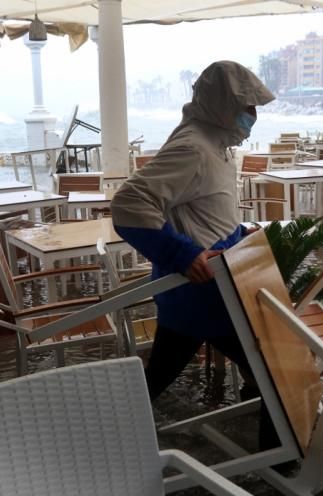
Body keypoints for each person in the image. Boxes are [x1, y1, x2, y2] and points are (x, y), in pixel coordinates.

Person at [110, 60, 278, 451]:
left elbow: (204, 212)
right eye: (246, 108)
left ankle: (110, 431)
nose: (252, 117)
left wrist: (237, 235)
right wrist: (181, 253)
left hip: (202, 292)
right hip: (204, 292)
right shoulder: (194, 148)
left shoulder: (213, 143)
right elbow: (129, 204)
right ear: (222, 105)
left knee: (162, 370)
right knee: (271, 369)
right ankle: (280, 462)